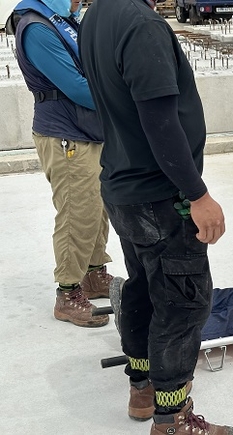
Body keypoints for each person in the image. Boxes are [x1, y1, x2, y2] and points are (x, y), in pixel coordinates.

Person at [78, 1, 233, 434]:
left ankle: (143, 385)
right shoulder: (142, 25)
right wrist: (198, 194)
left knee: (145, 287)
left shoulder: (97, 15)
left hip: (124, 187)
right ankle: (172, 418)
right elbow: (159, 122)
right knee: (182, 303)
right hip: (159, 196)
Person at [10, 0, 118, 328]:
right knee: (77, 212)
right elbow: (77, 87)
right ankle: (68, 294)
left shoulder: (63, 20)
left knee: (97, 208)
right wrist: (125, 95)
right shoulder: (37, 28)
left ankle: (94, 274)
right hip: (65, 134)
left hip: (88, 129)